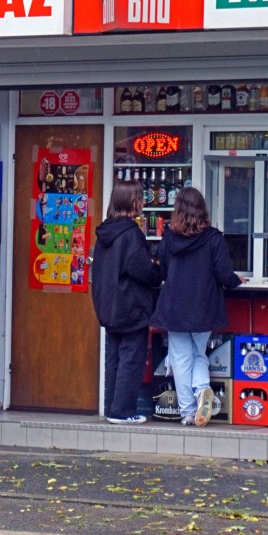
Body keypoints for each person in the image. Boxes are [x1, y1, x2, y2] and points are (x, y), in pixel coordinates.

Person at [151, 186, 244, 427]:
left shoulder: (169, 238)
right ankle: (202, 389)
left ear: (178, 211)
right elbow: (224, 274)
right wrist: (237, 280)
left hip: (174, 306)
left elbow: (162, 270)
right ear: (202, 210)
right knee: (198, 353)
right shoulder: (214, 237)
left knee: (180, 358)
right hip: (203, 305)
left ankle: (188, 412)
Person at [90, 179, 163, 424]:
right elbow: (142, 270)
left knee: (113, 359)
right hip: (131, 306)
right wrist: (158, 271)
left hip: (108, 305)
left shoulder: (105, 232)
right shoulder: (131, 234)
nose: (144, 203)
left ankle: (112, 408)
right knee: (131, 360)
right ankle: (122, 412)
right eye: (141, 198)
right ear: (133, 201)